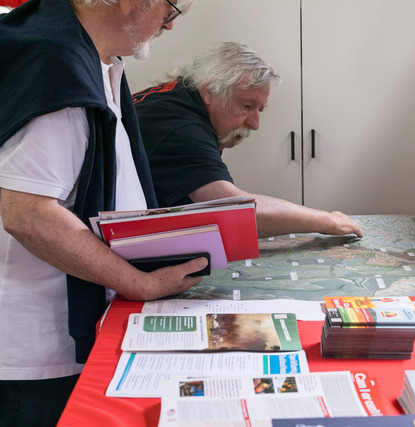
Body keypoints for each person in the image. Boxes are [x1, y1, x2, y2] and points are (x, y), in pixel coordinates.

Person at [0, 0, 208, 425]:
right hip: (36, 347)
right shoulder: (57, 62)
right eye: (171, 9)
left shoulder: (97, 59)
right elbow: (27, 214)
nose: (170, 25)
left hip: (71, 320)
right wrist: (139, 283)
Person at [133, 41, 364, 239]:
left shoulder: (176, 98)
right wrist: (327, 221)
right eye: (246, 106)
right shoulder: (183, 129)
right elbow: (234, 209)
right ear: (209, 91)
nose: (255, 124)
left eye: (259, 110)